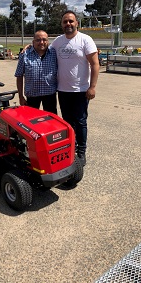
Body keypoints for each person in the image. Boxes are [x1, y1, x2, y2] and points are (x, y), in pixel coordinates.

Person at [51, 10, 100, 166]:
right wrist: (28, 46)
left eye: (71, 21)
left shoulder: (85, 40)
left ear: (77, 23)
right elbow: (43, 47)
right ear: (62, 24)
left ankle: (81, 151)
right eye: (65, 21)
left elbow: (95, 64)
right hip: (63, 90)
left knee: (80, 121)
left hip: (80, 90)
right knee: (67, 121)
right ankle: (70, 147)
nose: (68, 24)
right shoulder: (58, 41)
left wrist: (92, 87)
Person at [15, 30, 58, 114]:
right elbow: (19, 75)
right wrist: (20, 96)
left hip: (49, 95)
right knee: (31, 120)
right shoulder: (25, 54)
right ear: (33, 42)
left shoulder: (54, 53)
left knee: (51, 121)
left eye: (44, 40)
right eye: (38, 40)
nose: (41, 42)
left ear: (48, 41)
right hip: (32, 95)